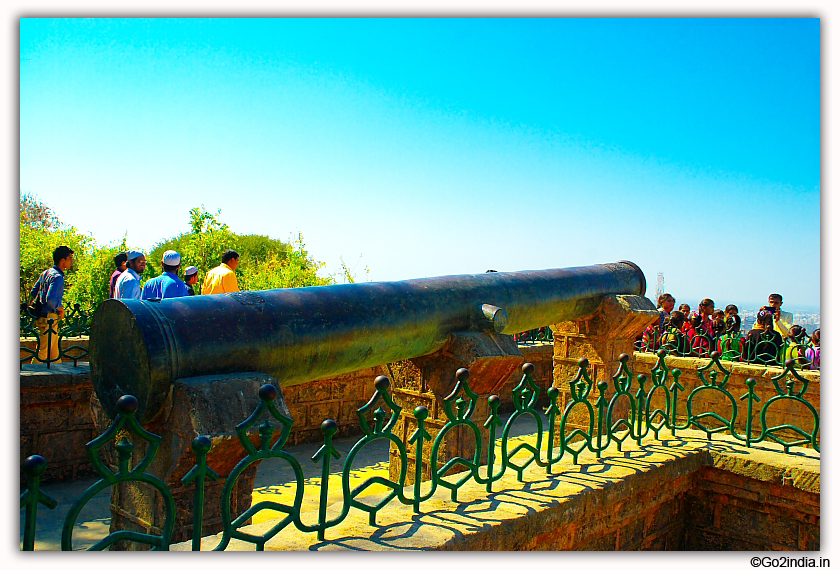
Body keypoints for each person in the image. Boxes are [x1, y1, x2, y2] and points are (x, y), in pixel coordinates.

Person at [28, 245, 74, 362]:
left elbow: (34, 292)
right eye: (70, 258)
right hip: (50, 317)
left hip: (42, 316)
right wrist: (61, 309)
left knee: (54, 353)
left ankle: (58, 371)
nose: (72, 261)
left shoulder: (46, 273)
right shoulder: (58, 277)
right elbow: (51, 299)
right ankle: (32, 372)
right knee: (43, 352)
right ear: (62, 260)